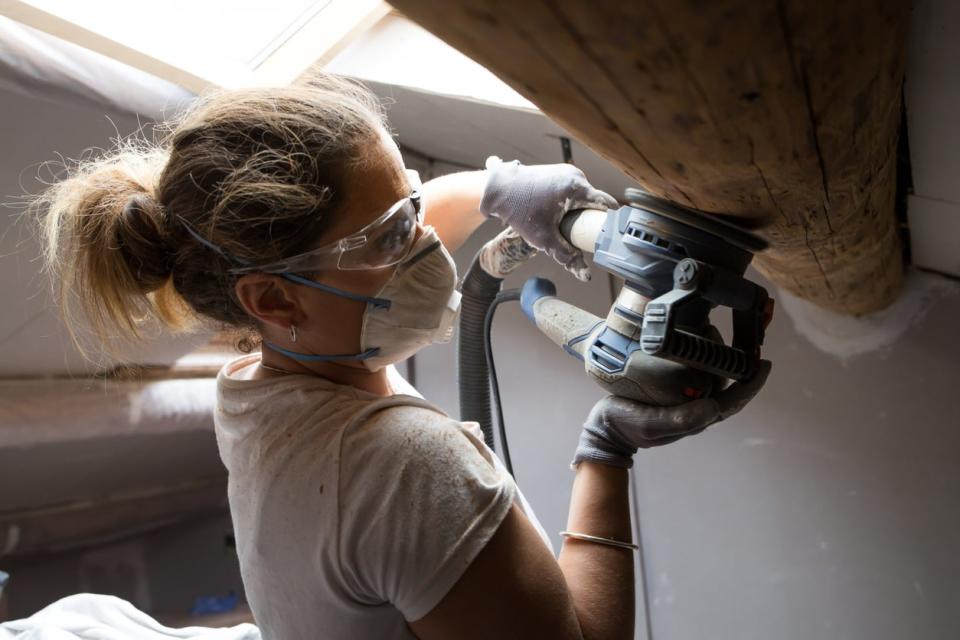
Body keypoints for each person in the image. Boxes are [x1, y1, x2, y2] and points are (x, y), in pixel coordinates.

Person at [36, 73, 770, 640]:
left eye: (412, 207)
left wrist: (496, 189)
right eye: (394, 236)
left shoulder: (259, 386)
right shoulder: (403, 465)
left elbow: (363, 248)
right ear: (272, 301)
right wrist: (604, 450)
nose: (424, 244)